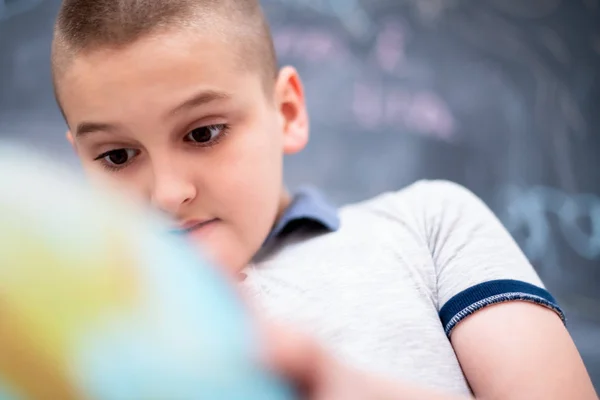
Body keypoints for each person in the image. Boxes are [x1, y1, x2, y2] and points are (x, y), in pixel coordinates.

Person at [50, 0, 598, 398]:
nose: (169, 195)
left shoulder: (426, 224)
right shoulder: (73, 331)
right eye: (118, 156)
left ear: (287, 112)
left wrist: (330, 382)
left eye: (203, 133)